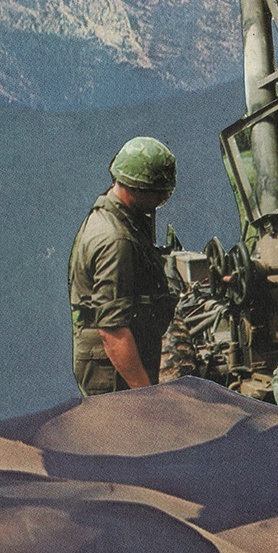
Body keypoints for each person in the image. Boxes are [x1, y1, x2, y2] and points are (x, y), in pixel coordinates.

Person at [68, 136, 178, 395]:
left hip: (115, 365)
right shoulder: (116, 240)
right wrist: (146, 396)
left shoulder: (119, 221)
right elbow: (112, 329)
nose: (164, 198)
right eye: (160, 193)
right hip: (113, 374)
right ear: (139, 188)